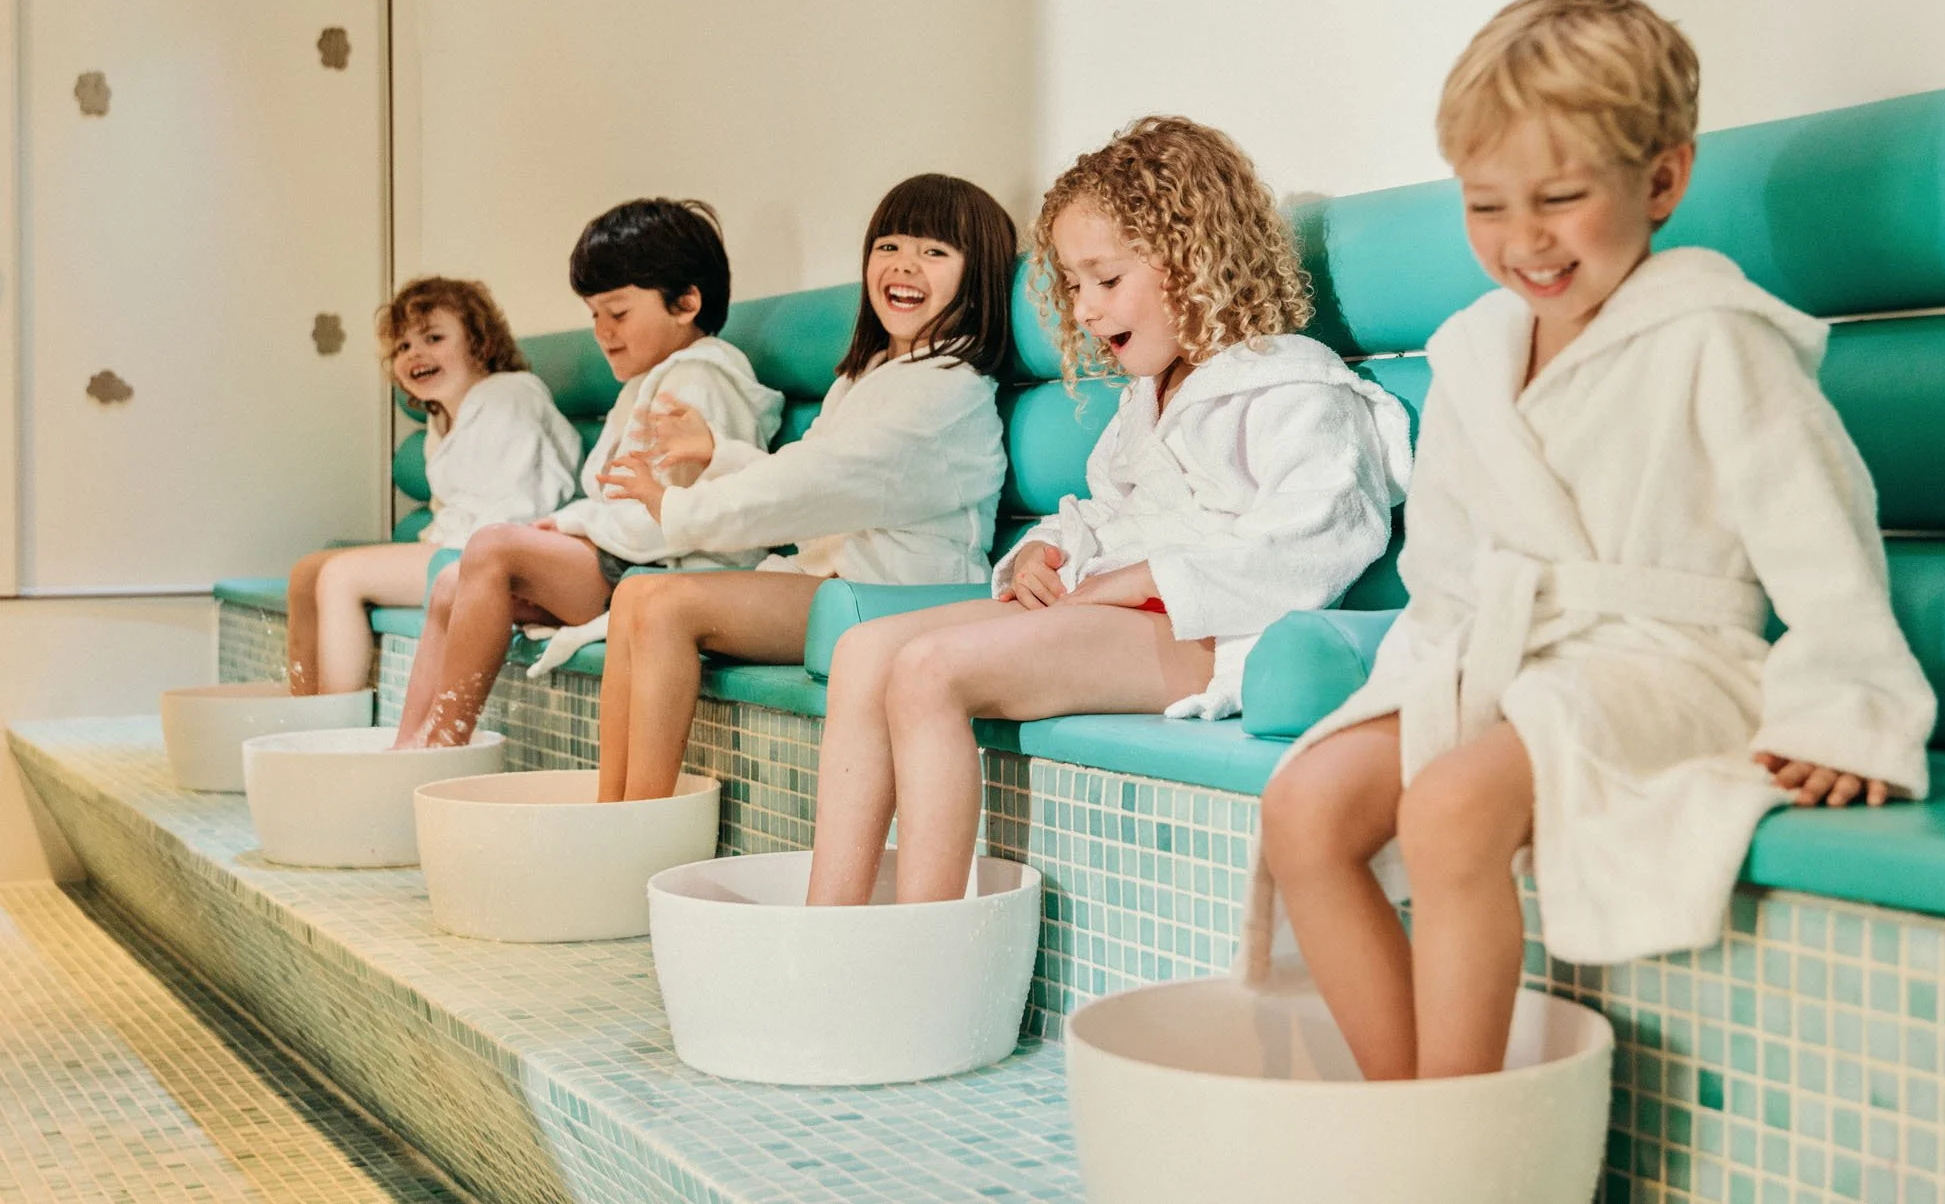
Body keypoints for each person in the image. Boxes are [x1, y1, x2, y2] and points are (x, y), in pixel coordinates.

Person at [1249, 0, 1937, 1082]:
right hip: (1498, 651)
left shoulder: (1717, 335)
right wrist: (1428, 687)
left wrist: (1845, 709)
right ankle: (1402, 1109)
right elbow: (1444, 574)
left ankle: (1454, 1147)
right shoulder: (1474, 349)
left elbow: (1823, 542)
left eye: (1560, 198)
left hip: (1672, 659)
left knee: (1454, 807)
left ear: (1662, 177)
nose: (1525, 241)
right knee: (1306, 807)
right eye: (1486, 206)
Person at [804, 117, 1411, 907]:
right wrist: (1044, 551)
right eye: (1074, 284)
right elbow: (1101, 509)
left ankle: (924, 950)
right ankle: (828, 923)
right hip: (1120, 616)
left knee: (928, 668)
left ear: (1195, 261)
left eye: (1106, 280)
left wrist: (1145, 579)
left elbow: (1319, 539)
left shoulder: (1295, 386)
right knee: (864, 651)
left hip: (1205, 629)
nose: (1086, 310)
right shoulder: (1148, 397)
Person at [591, 173, 1016, 802]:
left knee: (666, 605)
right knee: (637, 594)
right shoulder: (874, 375)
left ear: (977, 277)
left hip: (906, 597)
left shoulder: (945, 390)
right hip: (843, 589)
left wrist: (682, 505)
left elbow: (816, 485)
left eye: (934, 252)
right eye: (889, 246)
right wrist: (720, 454)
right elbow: (816, 467)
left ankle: (640, 824)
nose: (904, 266)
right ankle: (612, 811)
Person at [392, 198, 781, 748]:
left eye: (618, 313)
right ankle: (409, 744)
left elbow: (673, 517)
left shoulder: (699, 380)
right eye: (594, 315)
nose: (603, 332)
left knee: (493, 548)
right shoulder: (646, 383)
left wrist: (576, 526)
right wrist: (575, 524)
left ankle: (444, 741)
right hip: (623, 563)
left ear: (686, 302)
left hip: (662, 570)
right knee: (453, 583)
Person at [285, 277, 577, 696]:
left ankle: (334, 716)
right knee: (307, 572)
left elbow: (521, 509)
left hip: (509, 559)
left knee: (339, 577)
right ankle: (303, 703)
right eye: (402, 347)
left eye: (433, 338)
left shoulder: (508, 397)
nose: (414, 354)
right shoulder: (442, 417)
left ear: (481, 343)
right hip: (461, 548)